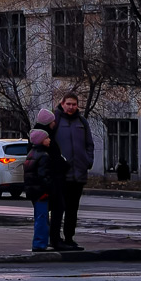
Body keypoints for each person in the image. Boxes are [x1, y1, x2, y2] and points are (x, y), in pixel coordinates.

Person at [51, 93, 94, 250]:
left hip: (79, 173)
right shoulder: (55, 120)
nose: (71, 107)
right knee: (58, 208)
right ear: (62, 104)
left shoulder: (82, 122)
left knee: (72, 208)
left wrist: (87, 161)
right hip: (61, 175)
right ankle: (55, 239)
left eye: (74, 104)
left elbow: (89, 144)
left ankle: (69, 238)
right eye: (68, 104)